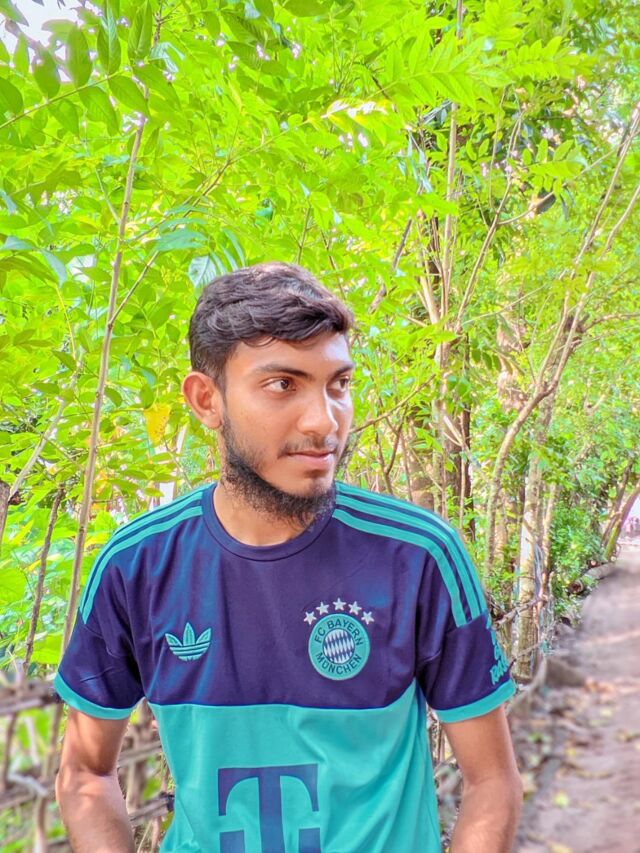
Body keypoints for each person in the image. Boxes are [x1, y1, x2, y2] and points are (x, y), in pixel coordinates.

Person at [54, 262, 522, 852]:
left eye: (338, 385)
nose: (324, 421)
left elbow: (492, 781)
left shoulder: (418, 557)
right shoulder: (136, 567)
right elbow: (86, 773)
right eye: (283, 385)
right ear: (206, 400)